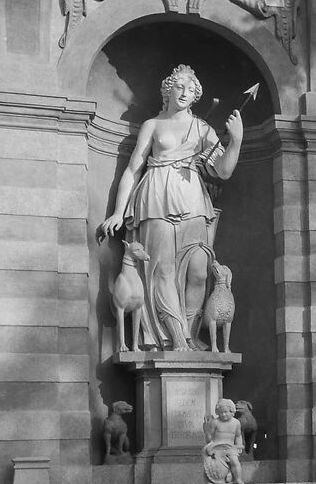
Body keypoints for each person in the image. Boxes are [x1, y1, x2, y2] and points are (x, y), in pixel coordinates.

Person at [99, 64, 246, 347]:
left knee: (200, 269)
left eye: (191, 90)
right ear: (168, 90)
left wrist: (236, 141)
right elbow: (133, 169)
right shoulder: (153, 126)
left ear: (196, 97)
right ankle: (177, 340)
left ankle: (189, 335)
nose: (185, 92)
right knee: (162, 269)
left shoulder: (202, 128)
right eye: (180, 86)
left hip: (193, 200)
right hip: (155, 198)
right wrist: (119, 211)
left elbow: (223, 172)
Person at [201, 398, 245, 484]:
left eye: (226, 412)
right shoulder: (215, 422)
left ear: (232, 411)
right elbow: (209, 438)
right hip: (217, 448)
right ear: (217, 413)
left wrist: (239, 444)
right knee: (217, 465)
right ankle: (220, 478)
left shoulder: (236, 423)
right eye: (221, 413)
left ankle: (238, 479)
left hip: (230, 447)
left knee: (234, 461)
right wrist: (206, 431)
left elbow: (238, 435)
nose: (224, 414)